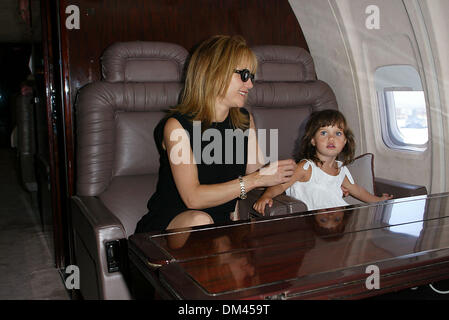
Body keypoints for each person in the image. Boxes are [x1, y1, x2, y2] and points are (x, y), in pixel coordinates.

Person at [134, 35, 295, 233]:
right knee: (200, 221)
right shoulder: (176, 126)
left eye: (251, 76)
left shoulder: (245, 120)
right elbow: (193, 198)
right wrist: (258, 179)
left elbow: (257, 175)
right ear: (214, 72)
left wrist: (287, 176)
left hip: (219, 229)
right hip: (173, 227)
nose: (250, 84)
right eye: (243, 75)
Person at [253, 109, 393, 215]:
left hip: (338, 220)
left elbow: (357, 190)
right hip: (310, 223)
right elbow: (280, 186)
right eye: (324, 133)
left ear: (344, 141)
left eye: (337, 133)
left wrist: (378, 200)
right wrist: (266, 196)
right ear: (312, 140)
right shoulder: (306, 167)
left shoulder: (341, 169)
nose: (331, 139)